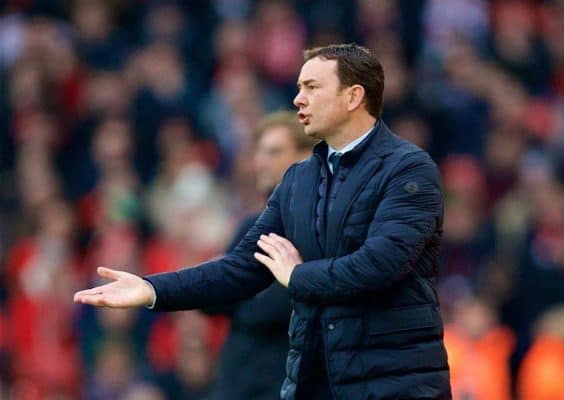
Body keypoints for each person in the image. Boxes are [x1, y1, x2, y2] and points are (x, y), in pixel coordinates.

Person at [74, 43, 451, 400]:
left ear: (353, 97)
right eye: (299, 87)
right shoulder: (298, 181)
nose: (297, 99)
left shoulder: (408, 169)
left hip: (394, 386)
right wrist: (152, 289)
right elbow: (239, 268)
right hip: (318, 385)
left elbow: (381, 264)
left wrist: (297, 276)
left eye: (312, 87)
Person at [209, 111, 316, 399]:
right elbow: (213, 297)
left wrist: (239, 295)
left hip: (285, 384)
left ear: (306, 156)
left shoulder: (319, 230)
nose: (260, 162)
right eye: (259, 151)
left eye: (274, 152)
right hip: (235, 382)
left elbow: (288, 302)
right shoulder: (250, 226)